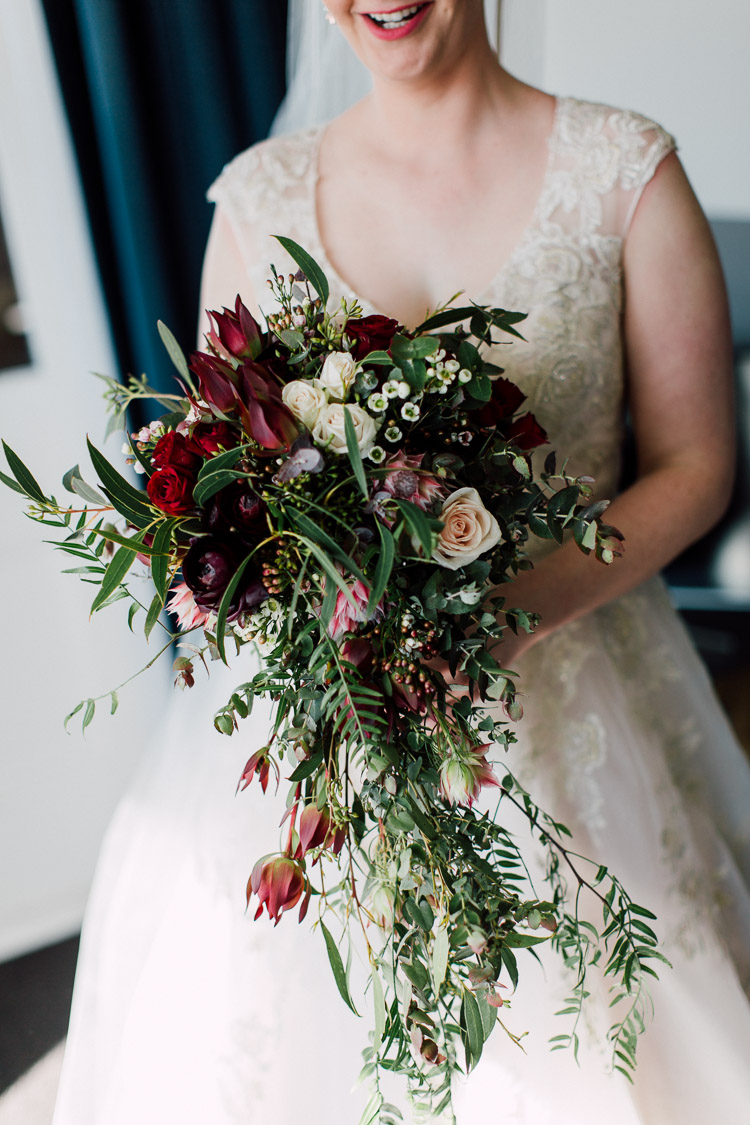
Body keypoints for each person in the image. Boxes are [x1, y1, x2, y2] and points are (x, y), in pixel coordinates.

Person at [52, 3, 750, 1123]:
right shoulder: (258, 199)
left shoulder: (623, 169)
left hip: (579, 684)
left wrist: (513, 611)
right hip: (337, 727)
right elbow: (229, 478)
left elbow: (697, 463)